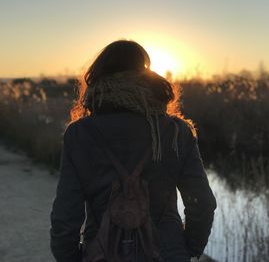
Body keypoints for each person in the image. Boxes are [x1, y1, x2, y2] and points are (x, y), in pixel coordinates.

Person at [50, 40, 217, 262]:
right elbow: (202, 202)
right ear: (146, 75)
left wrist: (70, 257)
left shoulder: (80, 134)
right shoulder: (176, 132)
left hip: (102, 254)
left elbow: (65, 215)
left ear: (98, 75)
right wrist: (188, 248)